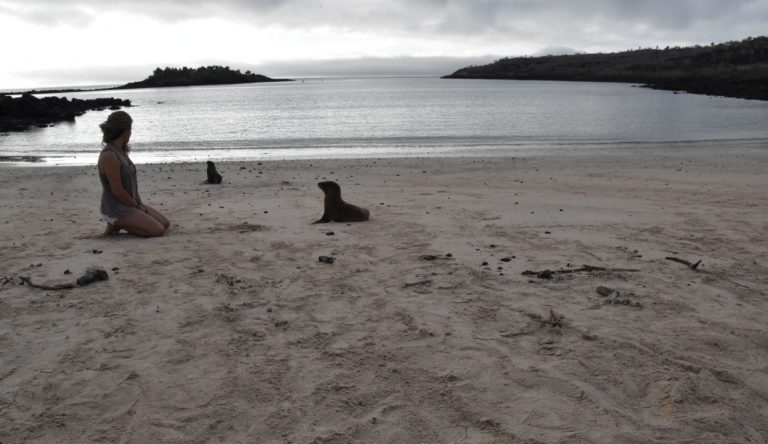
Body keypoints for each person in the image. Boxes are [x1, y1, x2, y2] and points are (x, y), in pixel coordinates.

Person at [97, 111, 170, 237]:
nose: (131, 132)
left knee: (165, 224)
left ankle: (124, 223)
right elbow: (118, 191)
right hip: (117, 208)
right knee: (157, 230)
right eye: (130, 129)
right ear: (126, 130)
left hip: (130, 203)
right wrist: (136, 206)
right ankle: (115, 223)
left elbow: (131, 185)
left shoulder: (121, 150)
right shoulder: (109, 155)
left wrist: (139, 204)